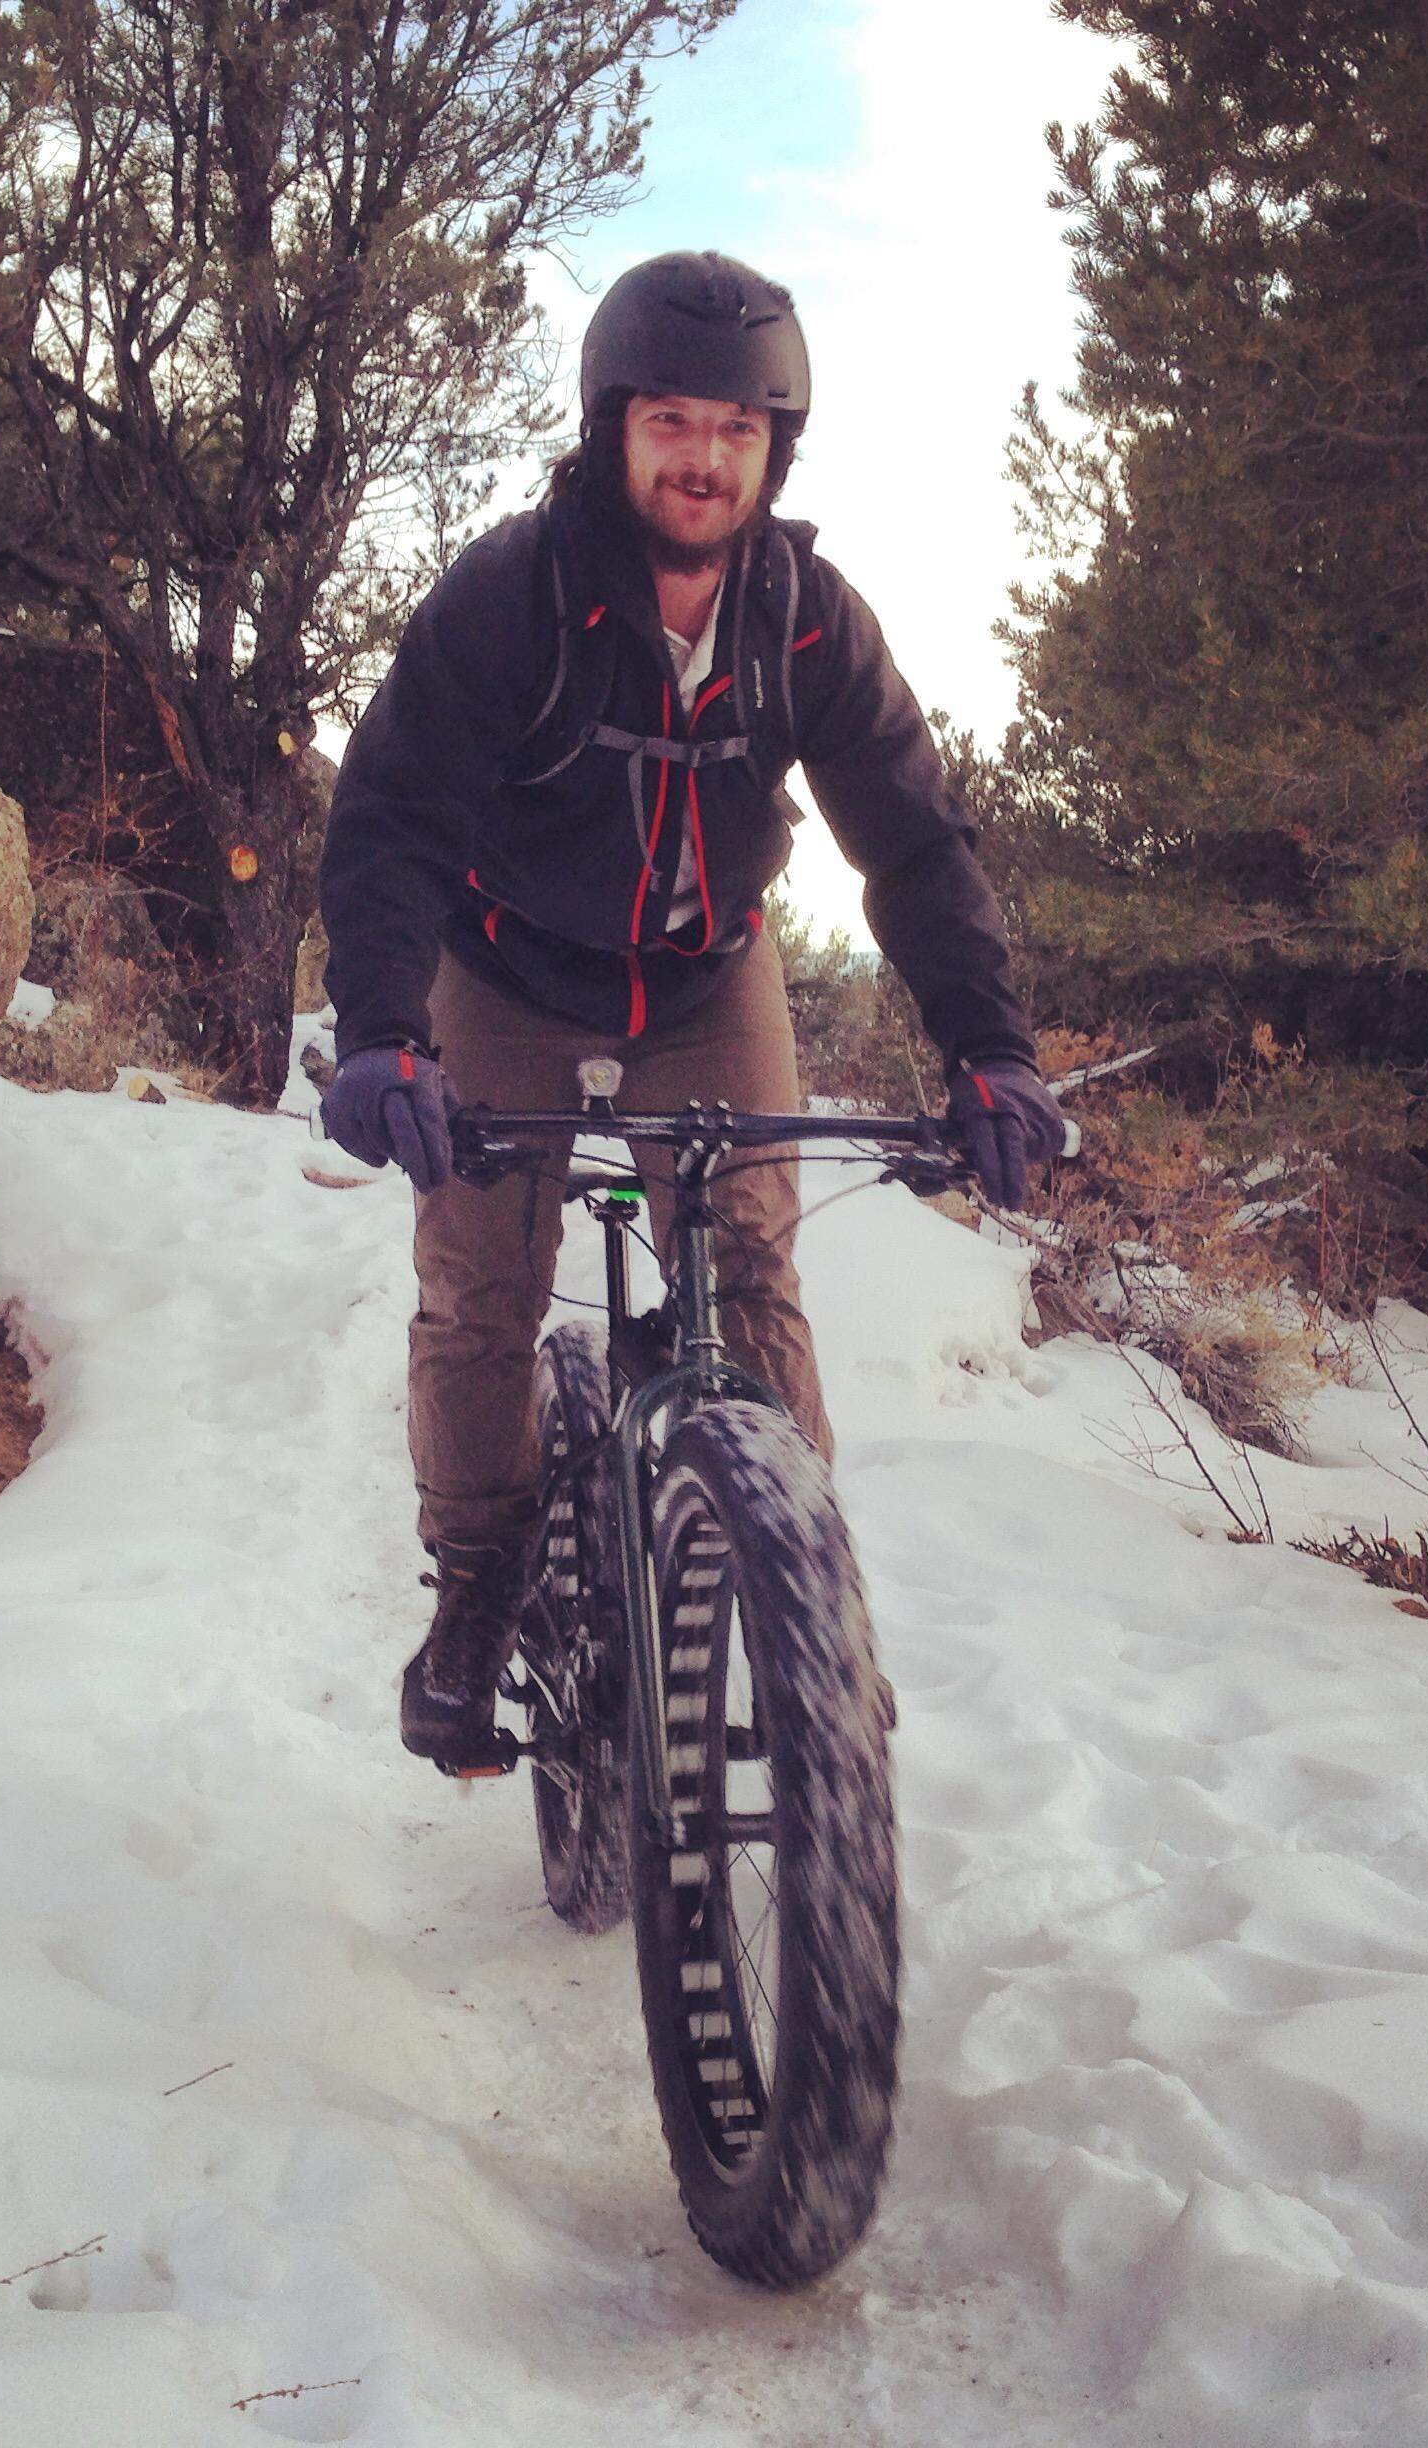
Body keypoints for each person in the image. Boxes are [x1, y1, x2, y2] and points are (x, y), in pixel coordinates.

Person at [316, 250, 1062, 1771]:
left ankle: (808, 1614)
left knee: (752, 1272)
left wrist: (990, 1049)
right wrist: (386, 1030)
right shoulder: (515, 595)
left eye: (737, 427)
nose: (704, 458)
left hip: (708, 974)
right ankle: (478, 1585)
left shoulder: (807, 623)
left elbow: (913, 843)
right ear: (612, 426)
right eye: (671, 421)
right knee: (481, 1287)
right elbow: (394, 814)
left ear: (778, 446)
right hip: (505, 967)